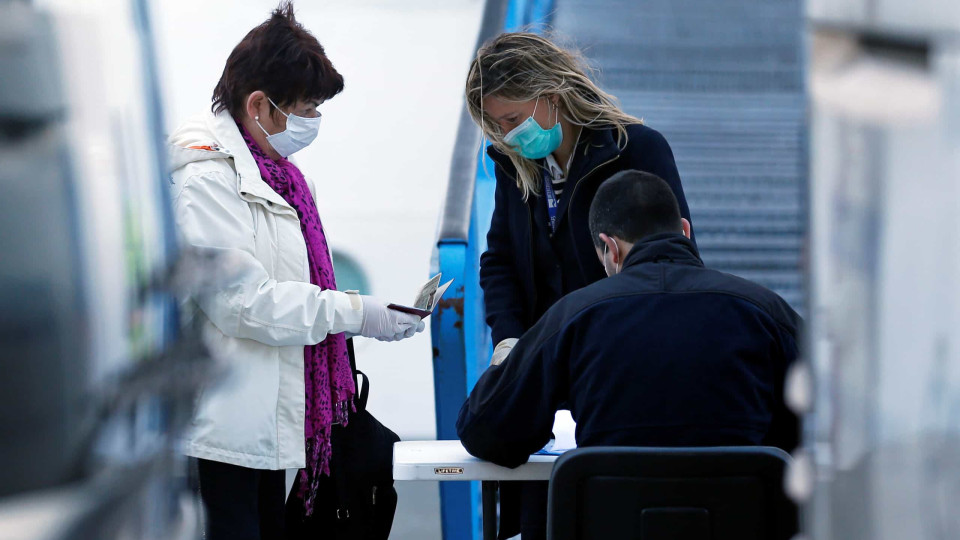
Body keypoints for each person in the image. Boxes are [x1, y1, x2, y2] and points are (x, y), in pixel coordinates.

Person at [167, 4, 423, 539]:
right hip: (218, 433)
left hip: (257, 429)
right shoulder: (206, 180)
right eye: (306, 108)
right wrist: (356, 312)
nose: (313, 122)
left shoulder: (277, 177)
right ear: (259, 104)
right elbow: (244, 302)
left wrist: (356, 312)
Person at [457, 170, 801, 535]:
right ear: (684, 230)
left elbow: (483, 429)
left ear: (611, 248)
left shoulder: (575, 317)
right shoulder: (766, 312)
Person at [464, 31, 696, 539]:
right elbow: (499, 260)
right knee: (537, 513)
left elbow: (675, 262)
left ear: (549, 95)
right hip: (546, 364)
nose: (505, 137)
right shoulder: (512, 164)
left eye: (511, 121)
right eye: (496, 127)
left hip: (621, 366)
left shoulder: (636, 149)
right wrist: (509, 341)